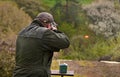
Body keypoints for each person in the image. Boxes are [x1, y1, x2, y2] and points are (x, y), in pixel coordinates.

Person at [13, 12, 70, 77]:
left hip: (18, 74)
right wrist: (54, 31)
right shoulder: (44, 33)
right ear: (49, 25)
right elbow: (65, 42)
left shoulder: (22, 32)